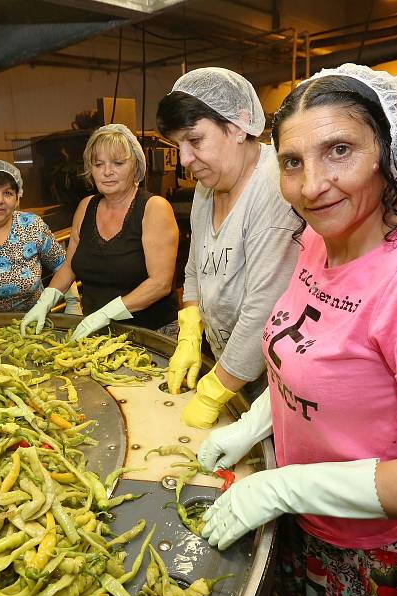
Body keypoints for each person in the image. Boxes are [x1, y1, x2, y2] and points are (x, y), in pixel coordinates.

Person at [197, 64, 397, 596]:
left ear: (386, 152)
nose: (312, 186)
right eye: (293, 162)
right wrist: (252, 424)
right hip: (309, 525)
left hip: (380, 555)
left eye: (339, 150)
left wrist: (283, 487)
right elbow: (308, 350)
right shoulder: (317, 241)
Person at [156, 67, 300, 428]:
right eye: (178, 145)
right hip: (230, 370)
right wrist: (190, 326)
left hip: (273, 384)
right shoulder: (210, 184)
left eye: (195, 140)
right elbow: (193, 268)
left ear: (237, 127)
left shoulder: (273, 191)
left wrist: (212, 393)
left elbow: (263, 313)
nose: (185, 159)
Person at [20, 124, 178, 340]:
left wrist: (106, 314)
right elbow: (69, 267)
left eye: (118, 163)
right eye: (98, 164)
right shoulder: (86, 207)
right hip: (96, 332)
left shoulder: (153, 208)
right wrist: (45, 301)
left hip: (150, 333)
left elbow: (160, 284)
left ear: (136, 166)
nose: (107, 172)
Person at [0, 160, 77, 314]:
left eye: (8, 193)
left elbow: (62, 264)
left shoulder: (31, 225)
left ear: (17, 198)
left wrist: (73, 301)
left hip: (34, 322)